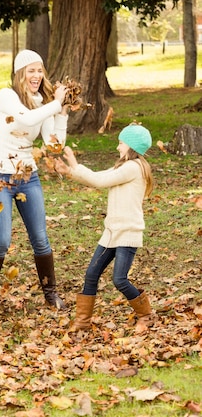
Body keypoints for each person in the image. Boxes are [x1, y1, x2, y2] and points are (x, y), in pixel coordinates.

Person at [0, 49, 69, 320]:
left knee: (41, 239)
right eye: (31, 71)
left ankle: (51, 294)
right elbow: (27, 119)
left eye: (40, 70)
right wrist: (56, 102)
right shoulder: (7, 97)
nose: (37, 76)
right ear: (20, 74)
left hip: (28, 177)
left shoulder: (44, 101)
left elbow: (54, 145)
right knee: (1, 241)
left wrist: (61, 111)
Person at [54, 123, 154, 334]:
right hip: (112, 232)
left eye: (121, 143)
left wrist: (74, 165)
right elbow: (98, 176)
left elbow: (100, 181)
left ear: (131, 146)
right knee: (91, 274)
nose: (118, 147)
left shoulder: (133, 168)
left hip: (127, 233)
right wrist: (71, 171)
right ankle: (82, 323)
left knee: (119, 279)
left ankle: (145, 316)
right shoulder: (123, 167)